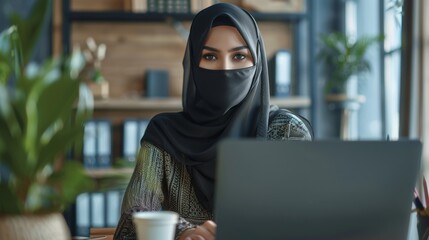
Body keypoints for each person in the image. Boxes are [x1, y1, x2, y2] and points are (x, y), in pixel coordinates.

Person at [113, 3, 313, 240]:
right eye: (209, 56)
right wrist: (183, 232)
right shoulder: (164, 134)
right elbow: (132, 219)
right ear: (193, 65)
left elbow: (299, 222)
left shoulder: (286, 131)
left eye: (239, 56)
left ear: (257, 63)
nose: (225, 69)